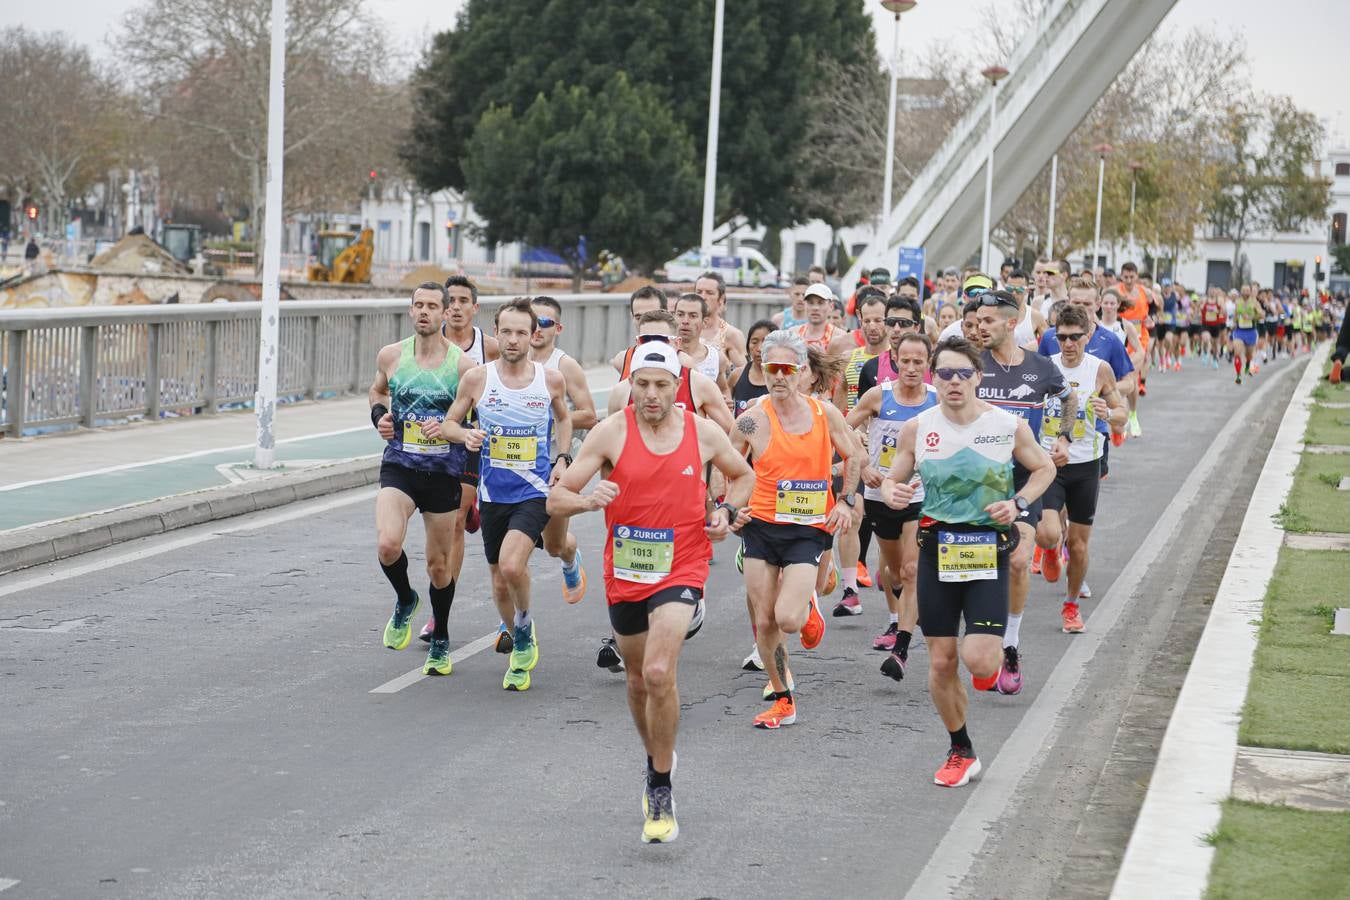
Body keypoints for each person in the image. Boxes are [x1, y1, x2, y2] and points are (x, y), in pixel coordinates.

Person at [549, 340, 754, 844]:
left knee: (661, 671)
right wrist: (586, 500)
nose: (652, 395)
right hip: (626, 574)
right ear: (631, 387)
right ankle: (655, 757)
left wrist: (724, 513)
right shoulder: (610, 432)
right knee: (639, 681)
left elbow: (743, 475)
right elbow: (555, 496)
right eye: (643, 385)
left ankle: (661, 784)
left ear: (677, 388)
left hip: (682, 566)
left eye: (662, 385)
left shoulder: (702, 432)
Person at [881, 336, 1054, 787]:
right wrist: (891, 491)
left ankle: (992, 659)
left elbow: (1044, 469)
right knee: (940, 663)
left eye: (963, 373)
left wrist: (1017, 504)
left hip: (986, 551)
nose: (954, 382)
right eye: (945, 374)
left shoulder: (1007, 425)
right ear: (934, 379)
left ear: (978, 376)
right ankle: (961, 749)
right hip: (937, 550)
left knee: (978, 662)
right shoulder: (917, 428)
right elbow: (892, 477)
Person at [432, 299, 573, 692]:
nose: (513, 340)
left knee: (513, 566)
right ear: (496, 333)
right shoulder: (478, 378)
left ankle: (523, 635)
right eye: (506, 332)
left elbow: (564, 417)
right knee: (498, 583)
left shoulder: (549, 380)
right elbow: (448, 424)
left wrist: (562, 457)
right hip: (493, 494)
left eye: (521, 332)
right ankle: (521, 633)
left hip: (534, 491)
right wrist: (466, 435)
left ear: (534, 336)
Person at [730, 330, 863, 729]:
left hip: (808, 529)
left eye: (788, 368)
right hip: (761, 526)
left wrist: (846, 500)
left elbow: (854, 453)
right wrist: (726, 507)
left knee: (787, 618)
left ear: (803, 371)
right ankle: (783, 698)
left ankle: (808, 608)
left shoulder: (824, 415)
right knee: (766, 620)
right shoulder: (752, 417)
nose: (780, 376)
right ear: (764, 369)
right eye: (773, 368)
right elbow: (727, 464)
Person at [975, 290, 1076, 694]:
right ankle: (981, 643)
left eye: (987, 320)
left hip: (1023, 480)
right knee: (980, 564)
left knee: (1018, 560)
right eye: (977, 320)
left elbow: (1069, 399)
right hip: (975, 480)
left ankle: (1011, 645)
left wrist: (1064, 438)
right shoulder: (971, 365)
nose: (979, 326)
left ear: (1011, 322)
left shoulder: (1041, 367)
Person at [368, 283, 470, 676]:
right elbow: (377, 392)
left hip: (444, 472)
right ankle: (405, 599)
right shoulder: (392, 356)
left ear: (446, 314)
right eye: (418, 305)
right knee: (388, 544)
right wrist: (380, 419)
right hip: (400, 465)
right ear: (410, 311)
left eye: (432, 306)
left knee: (439, 568)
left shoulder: (462, 367)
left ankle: (441, 637)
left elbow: (474, 421)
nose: (424, 312)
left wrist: (448, 428)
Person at [846, 331, 938, 679]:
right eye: (906, 361)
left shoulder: (936, 400)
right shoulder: (877, 396)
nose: (912, 368)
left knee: (911, 571)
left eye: (919, 362)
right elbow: (843, 430)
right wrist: (865, 465)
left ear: (928, 363)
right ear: (895, 360)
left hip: (920, 495)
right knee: (894, 572)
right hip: (880, 495)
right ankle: (896, 616)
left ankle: (901, 646)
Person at [421, 275, 503, 645]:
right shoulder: (429, 347)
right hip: (434, 442)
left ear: (474, 308)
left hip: (473, 440)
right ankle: (441, 609)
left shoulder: (492, 348)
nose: (454, 307)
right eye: (449, 300)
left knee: (455, 519)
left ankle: (441, 615)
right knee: (443, 524)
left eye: (461, 301)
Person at [1039, 304, 1127, 638]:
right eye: (1061, 337)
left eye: (1075, 337)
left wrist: (1109, 413)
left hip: (1086, 465)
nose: (1068, 344)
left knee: (1077, 546)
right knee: (1048, 532)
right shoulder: (1045, 367)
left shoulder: (1099, 370)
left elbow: (1121, 412)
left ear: (1087, 336)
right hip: (1049, 462)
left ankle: (1071, 605)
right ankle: (1048, 548)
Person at [528, 296, 597, 603]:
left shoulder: (565, 365)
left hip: (558, 460)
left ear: (557, 328)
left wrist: (547, 414)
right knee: (515, 539)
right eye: (532, 321)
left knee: (553, 544)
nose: (536, 329)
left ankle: (570, 557)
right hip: (518, 460)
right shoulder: (510, 361)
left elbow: (589, 414)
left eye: (544, 323)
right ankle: (513, 618)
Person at [829, 288, 890, 609]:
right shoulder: (850, 360)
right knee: (852, 511)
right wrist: (843, 439)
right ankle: (850, 590)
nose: (872, 326)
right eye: (867, 320)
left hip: (888, 446)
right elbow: (840, 407)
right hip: (853, 443)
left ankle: (888, 567)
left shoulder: (900, 360)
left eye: (879, 320)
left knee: (883, 516)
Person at [674, 292, 731, 394]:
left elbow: (724, 390)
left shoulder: (716, 358)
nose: (685, 321)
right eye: (680, 314)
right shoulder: (663, 355)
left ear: (704, 322)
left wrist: (726, 401)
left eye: (693, 316)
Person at [694, 271, 747, 371]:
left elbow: (743, 375)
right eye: (699, 292)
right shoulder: (683, 329)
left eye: (709, 293)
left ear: (721, 299)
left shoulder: (731, 334)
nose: (703, 297)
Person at [612, 285, 670, 377]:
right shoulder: (622, 360)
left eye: (651, 316)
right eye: (639, 317)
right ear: (632, 318)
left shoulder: (683, 361)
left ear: (666, 315)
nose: (644, 322)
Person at [794, 284, 840, 351]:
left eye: (820, 303)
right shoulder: (793, 334)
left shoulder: (839, 337)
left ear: (831, 306)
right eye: (810, 303)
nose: (815, 308)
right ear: (805, 305)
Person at [1231, 285, 1261, 384]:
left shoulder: (1254, 303)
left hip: (1251, 331)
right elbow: (1236, 314)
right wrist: (1234, 323)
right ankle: (1238, 375)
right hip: (1239, 331)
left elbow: (1261, 314)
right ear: (1241, 291)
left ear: (1250, 292)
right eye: (1244, 290)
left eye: (1247, 290)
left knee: (1248, 355)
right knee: (1237, 352)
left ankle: (1248, 364)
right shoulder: (1238, 302)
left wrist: (1251, 317)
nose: (1245, 292)